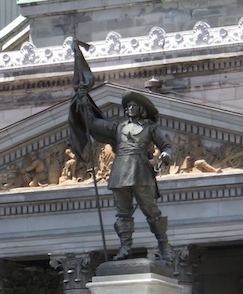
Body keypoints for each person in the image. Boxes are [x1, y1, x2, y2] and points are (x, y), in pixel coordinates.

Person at [74, 90, 173, 260]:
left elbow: (166, 146)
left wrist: (166, 155)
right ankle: (125, 246)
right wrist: (84, 104)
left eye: (133, 105)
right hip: (120, 171)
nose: (129, 108)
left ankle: (164, 244)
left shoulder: (150, 128)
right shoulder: (118, 127)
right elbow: (93, 123)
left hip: (141, 170)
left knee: (151, 210)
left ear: (141, 108)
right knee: (123, 212)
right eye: (128, 106)